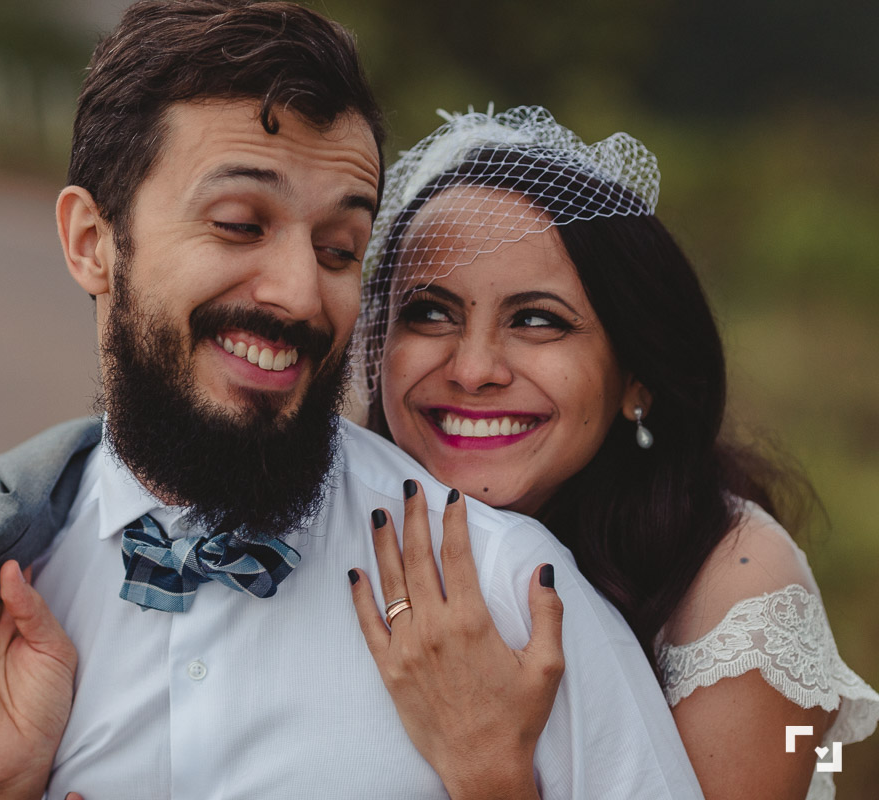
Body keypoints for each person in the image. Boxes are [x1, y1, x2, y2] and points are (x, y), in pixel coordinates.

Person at [0, 5, 705, 799]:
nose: (300, 295)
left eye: (340, 250)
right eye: (239, 225)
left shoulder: (511, 598)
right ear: (93, 241)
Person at [346, 105, 879, 800]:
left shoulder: (739, 599)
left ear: (636, 377)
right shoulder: (338, 524)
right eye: (429, 312)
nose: (472, 370)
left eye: (536, 320)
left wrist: (489, 768)